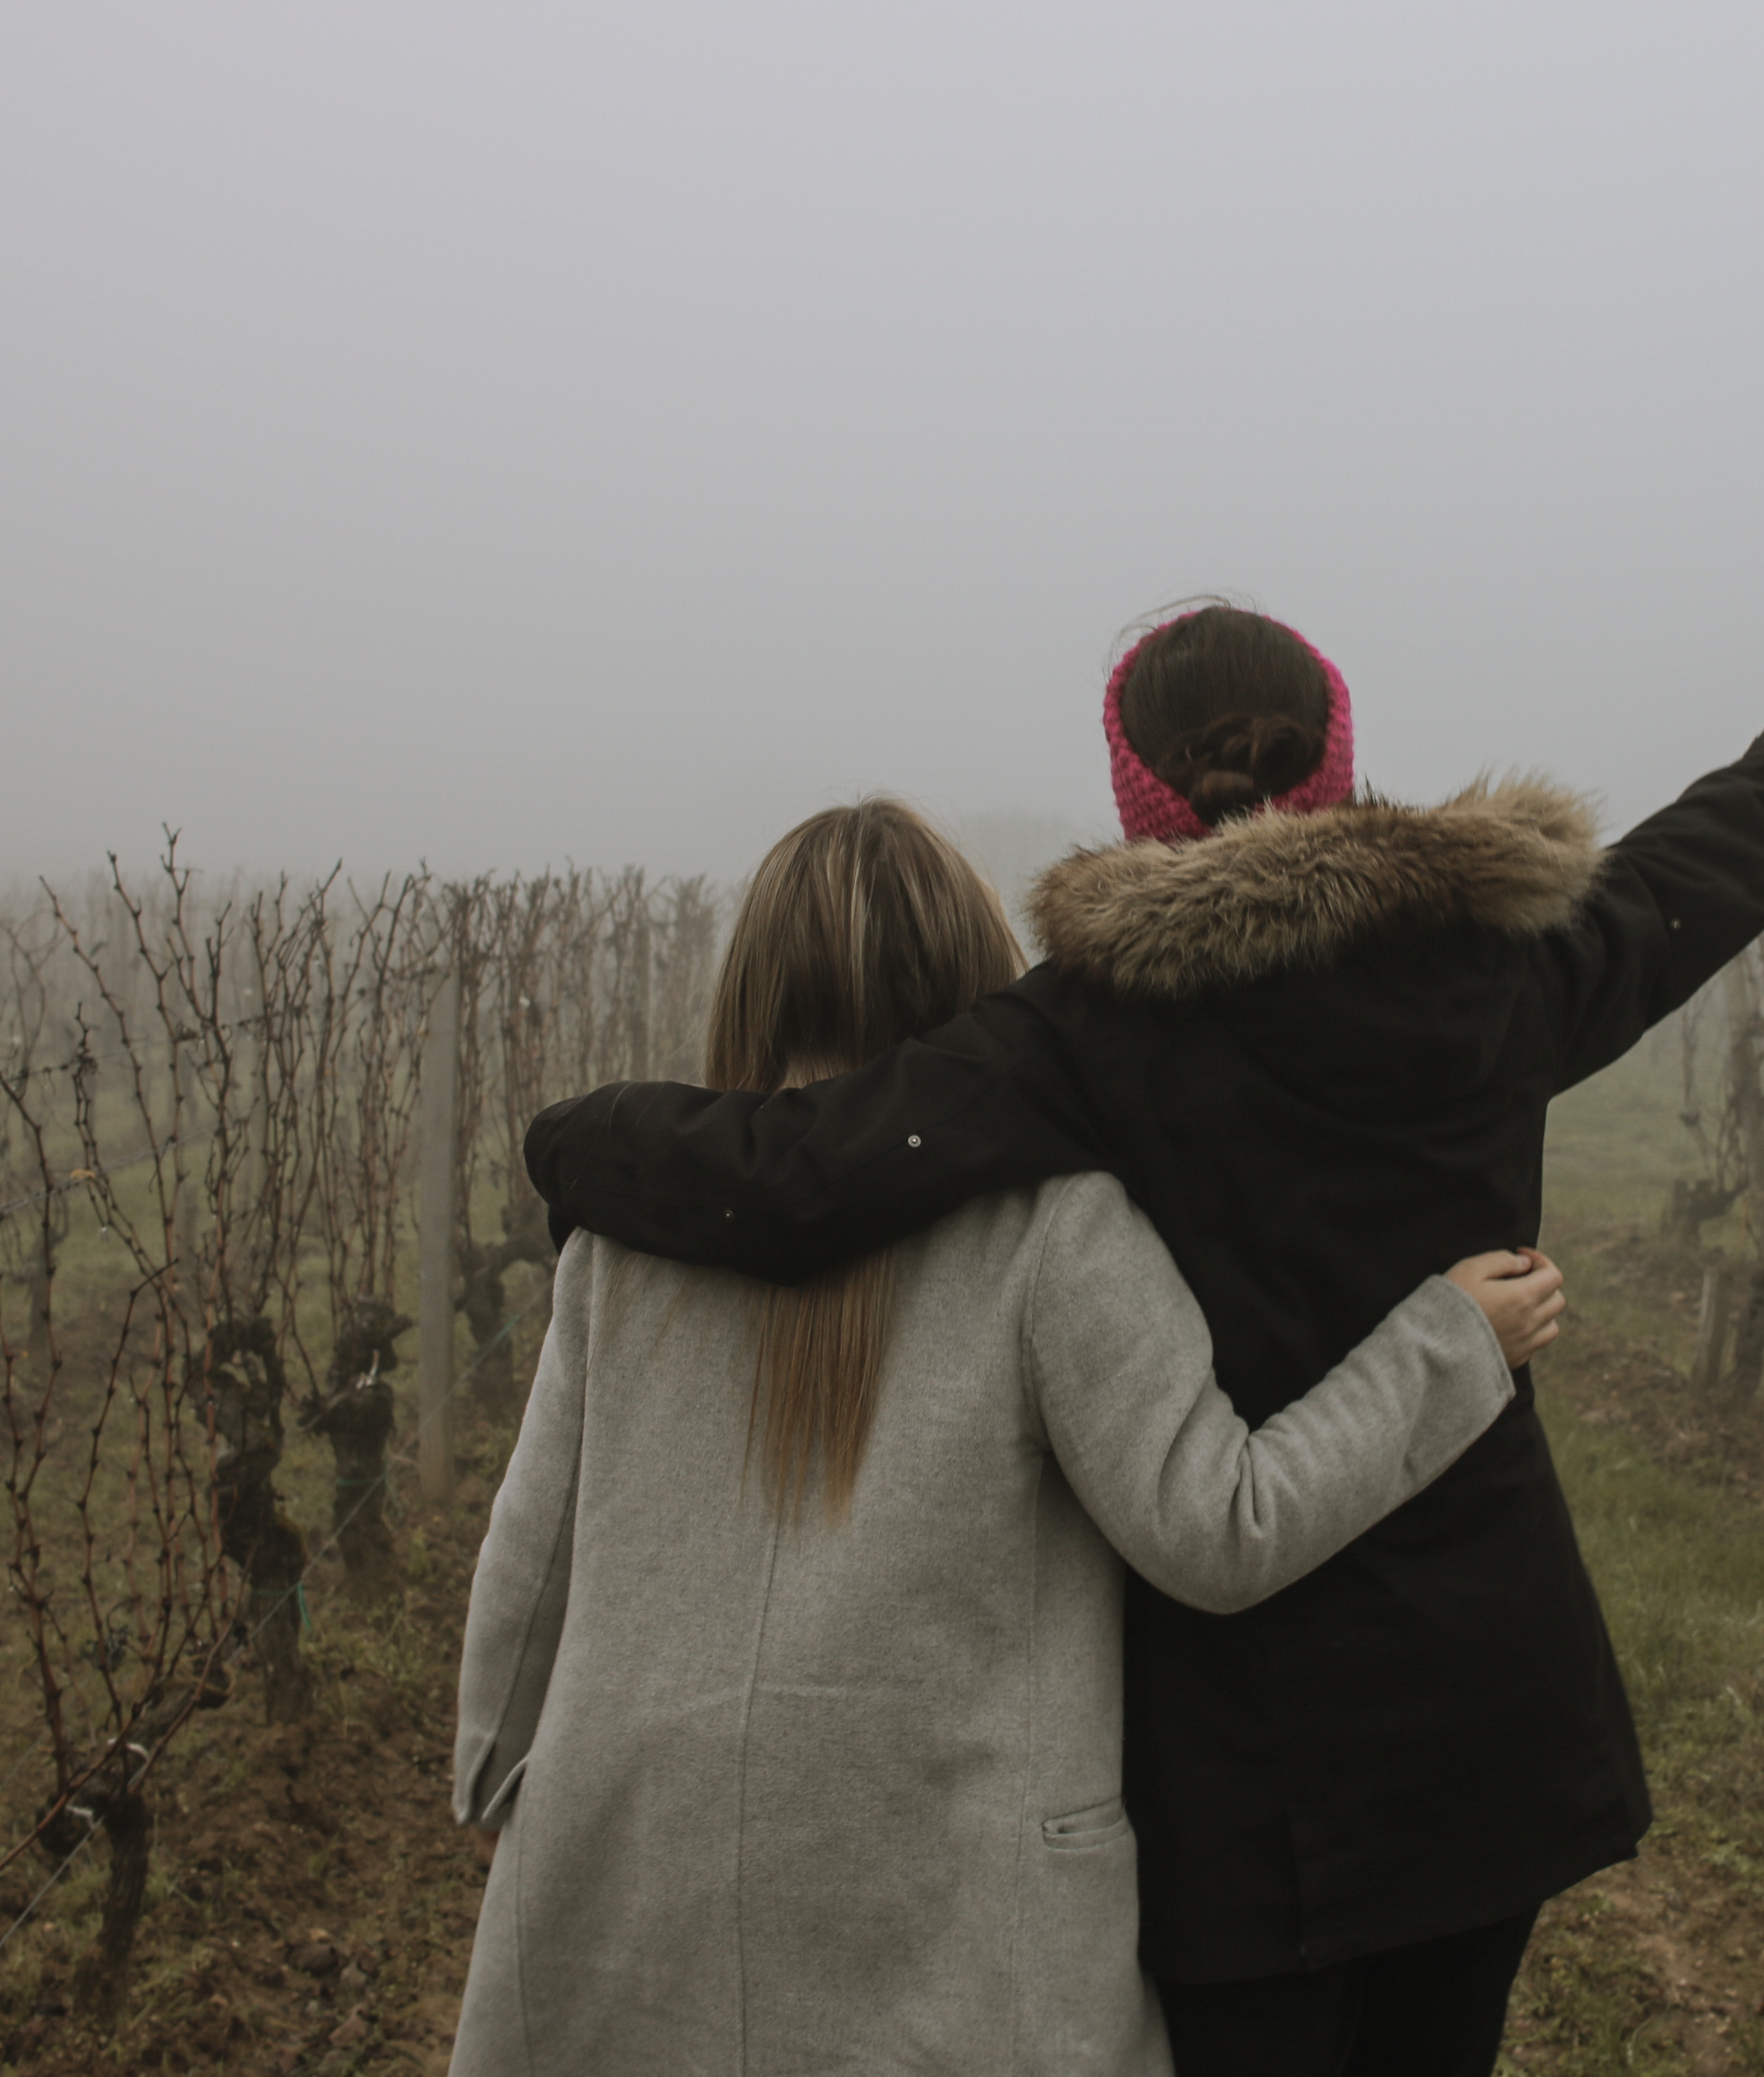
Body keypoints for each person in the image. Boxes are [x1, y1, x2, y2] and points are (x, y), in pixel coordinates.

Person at [521, 576, 1764, 2074]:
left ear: (1136, 792)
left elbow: (806, 1173)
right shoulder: (1503, 973)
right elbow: (1720, 854)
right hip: (1490, 1722)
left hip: (1240, 1775)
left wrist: (573, 1144)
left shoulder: (1084, 1036)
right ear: (1336, 762)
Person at [447, 797, 1570, 2077]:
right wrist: (1449, 1345)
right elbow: (1219, 1527)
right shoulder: (1056, 1226)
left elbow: (529, 1553)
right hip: (958, 1918)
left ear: (748, 987)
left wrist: (494, 1780)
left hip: (641, 1868)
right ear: (989, 990)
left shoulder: (628, 1228)